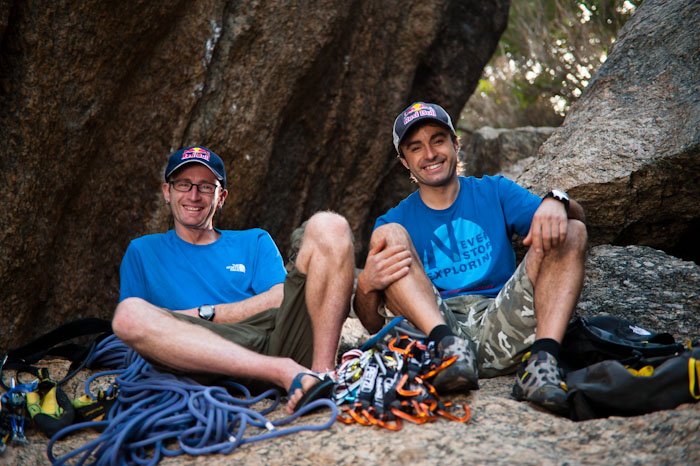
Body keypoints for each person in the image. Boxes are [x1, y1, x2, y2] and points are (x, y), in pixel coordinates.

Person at [353, 102, 587, 413]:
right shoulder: (393, 220)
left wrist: (557, 200)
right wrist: (367, 285)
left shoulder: (494, 191)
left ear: (455, 143)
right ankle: (449, 347)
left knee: (572, 231)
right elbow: (371, 324)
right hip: (436, 334)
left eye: (438, 140)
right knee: (390, 236)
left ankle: (542, 365)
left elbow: (576, 222)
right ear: (404, 162)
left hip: (501, 325)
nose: (430, 154)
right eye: (416, 147)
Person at [112, 146, 355, 413]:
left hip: (270, 339)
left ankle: (320, 377)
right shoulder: (143, 251)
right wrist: (203, 321)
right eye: (183, 184)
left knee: (331, 225)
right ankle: (285, 373)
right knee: (128, 314)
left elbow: (279, 297)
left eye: (206, 187)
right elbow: (130, 332)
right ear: (167, 192)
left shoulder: (254, 241)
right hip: (194, 353)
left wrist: (202, 313)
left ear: (221, 197)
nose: (194, 195)